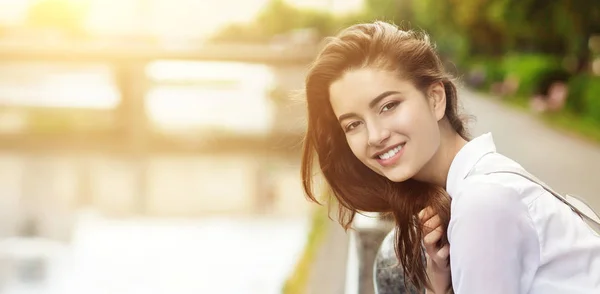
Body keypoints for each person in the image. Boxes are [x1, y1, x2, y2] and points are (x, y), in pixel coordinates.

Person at [300, 21, 600, 294]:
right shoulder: (480, 185)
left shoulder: (482, 202)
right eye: (353, 124)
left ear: (435, 99)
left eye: (388, 106)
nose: (375, 135)